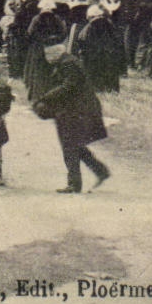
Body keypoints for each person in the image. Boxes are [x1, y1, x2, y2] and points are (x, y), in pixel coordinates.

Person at [34, 43, 110, 194]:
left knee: (69, 145)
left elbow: (68, 87)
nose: (47, 58)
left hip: (76, 111)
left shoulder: (68, 64)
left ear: (56, 53)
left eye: (48, 55)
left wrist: (45, 98)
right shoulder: (68, 62)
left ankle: (75, 184)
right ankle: (100, 171)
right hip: (76, 109)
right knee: (75, 145)